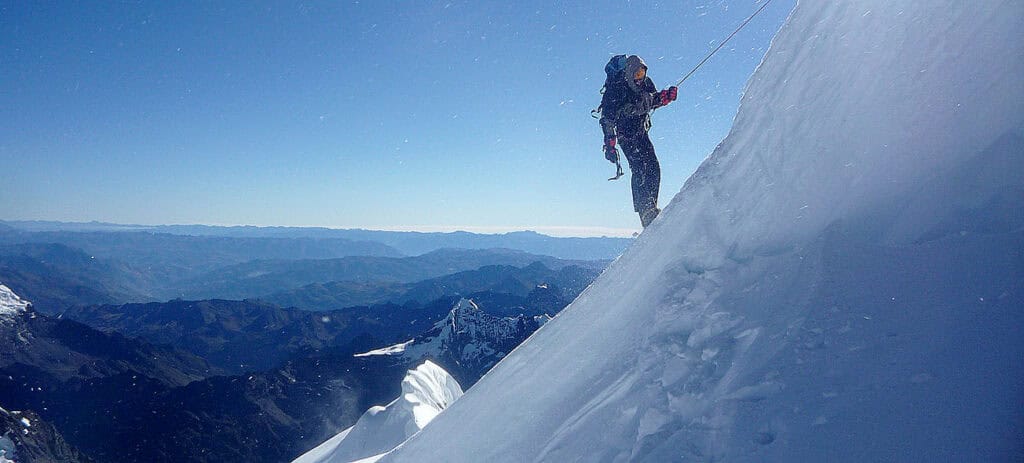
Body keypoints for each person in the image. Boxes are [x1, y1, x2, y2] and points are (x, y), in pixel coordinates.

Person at [599, 55, 677, 228]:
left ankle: (650, 207)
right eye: (637, 73)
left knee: (653, 166)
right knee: (639, 168)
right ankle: (645, 211)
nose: (640, 77)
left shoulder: (645, 85)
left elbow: (651, 101)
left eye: (642, 72)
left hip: (640, 132)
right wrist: (610, 145)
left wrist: (666, 97)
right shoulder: (617, 90)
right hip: (626, 135)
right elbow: (607, 119)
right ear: (628, 72)